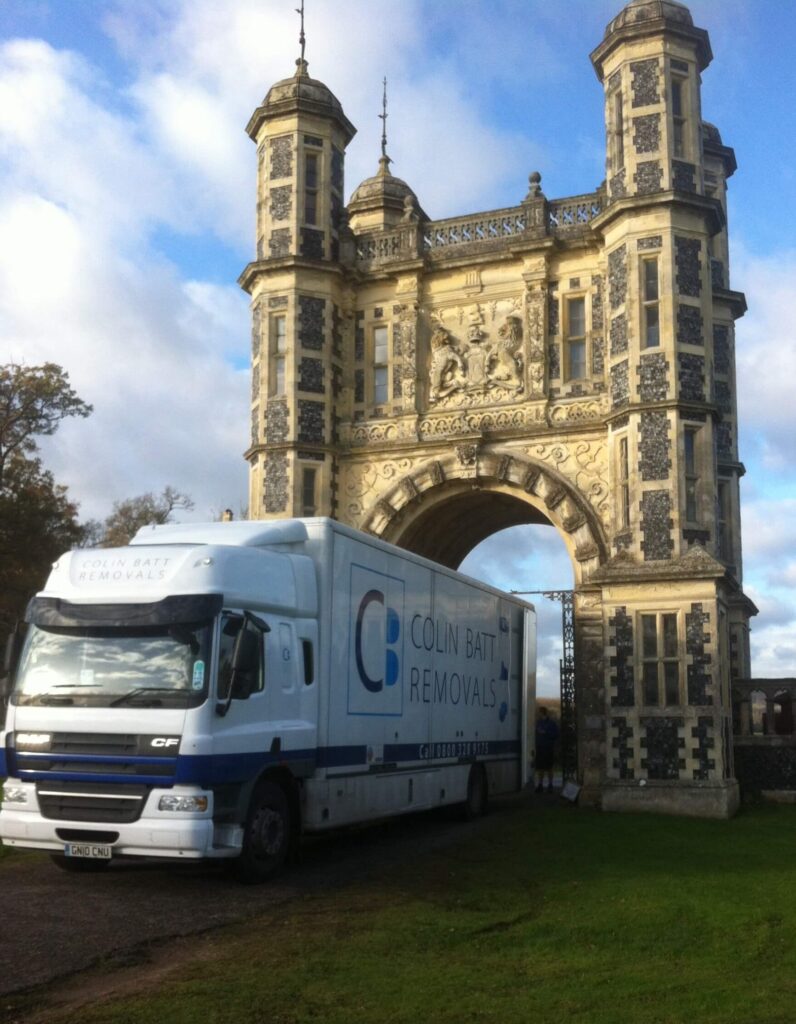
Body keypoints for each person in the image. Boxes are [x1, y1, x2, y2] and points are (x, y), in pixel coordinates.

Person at [534, 706, 559, 793]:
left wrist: (546, 733)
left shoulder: (551, 723)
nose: (539, 714)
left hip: (548, 747)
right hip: (540, 747)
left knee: (549, 768)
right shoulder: (538, 723)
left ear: (543, 713)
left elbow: (556, 734)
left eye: (540, 712)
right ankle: (540, 785)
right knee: (540, 768)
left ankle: (550, 785)